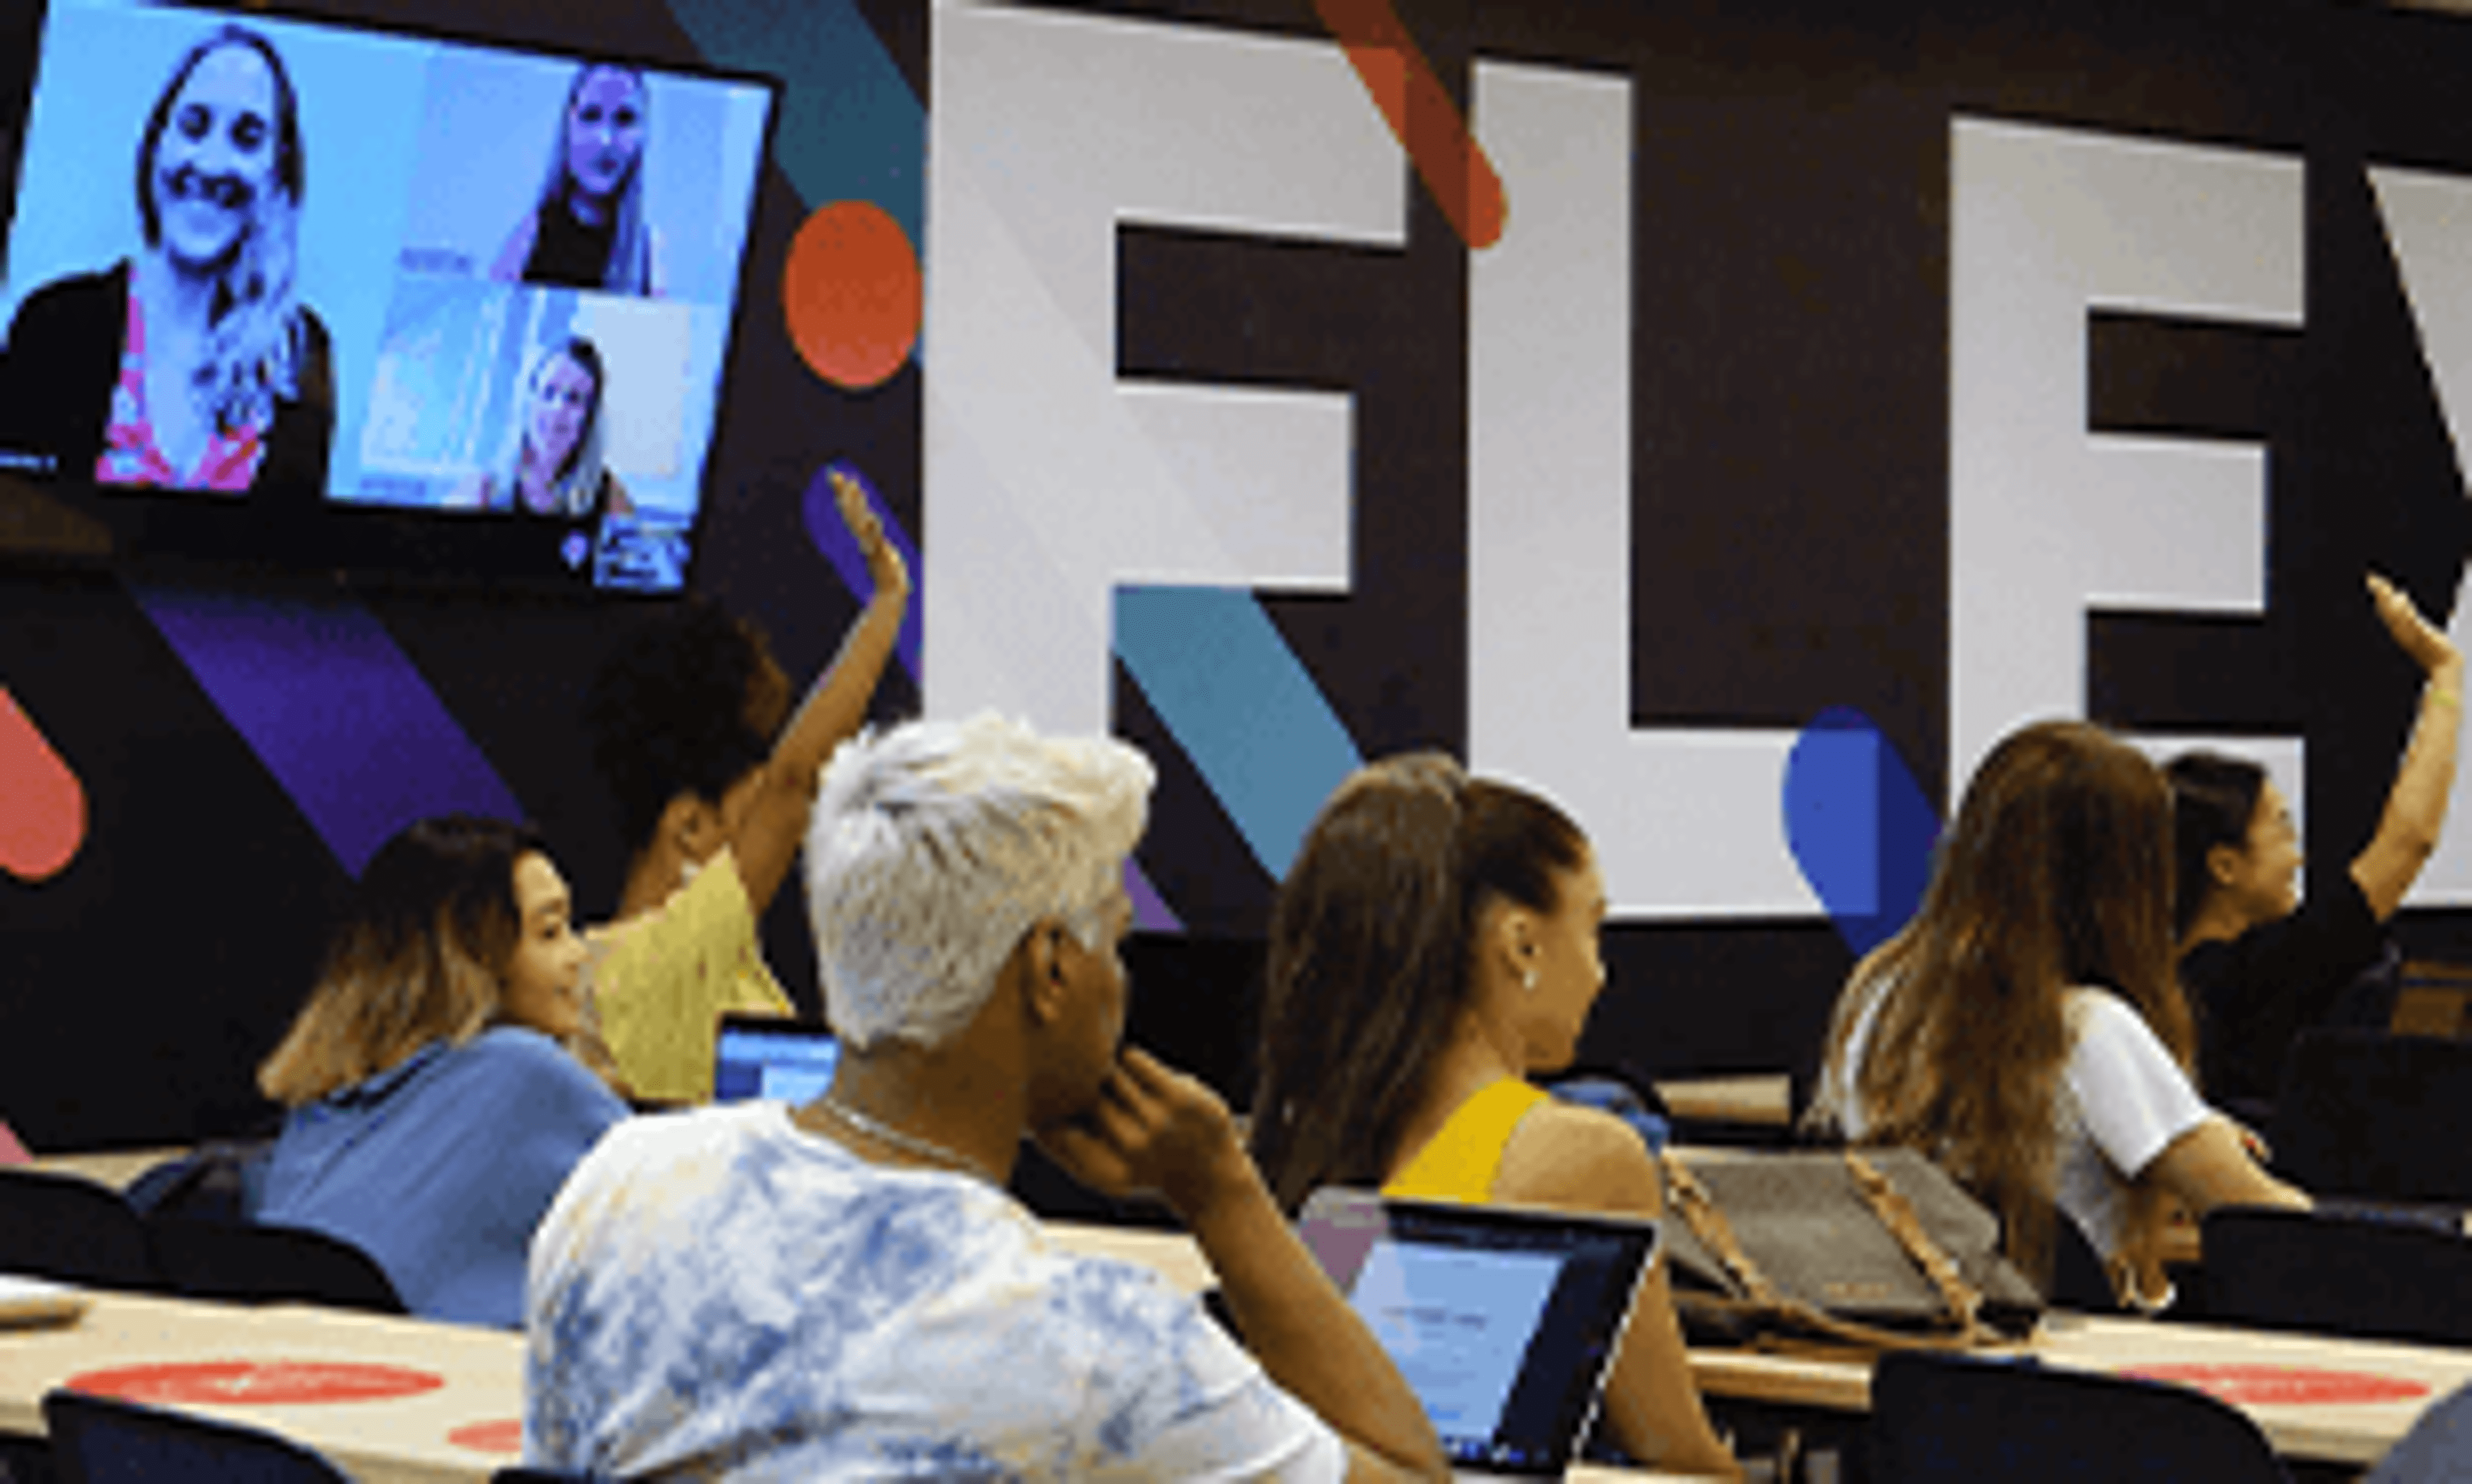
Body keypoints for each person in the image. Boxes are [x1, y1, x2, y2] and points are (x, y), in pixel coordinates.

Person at [526, 714, 1450, 1481]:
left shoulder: (619, 1187)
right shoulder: (1100, 1343)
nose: (1120, 984)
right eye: (1114, 943)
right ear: (1050, 967)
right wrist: (1224, 1195)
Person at [1247, 754, 1738, 1478]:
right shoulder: (1586, 1154)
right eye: (1594, 927)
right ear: (1522, 944)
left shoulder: (1304, 1142)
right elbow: (1675, 1456)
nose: (1602, 973)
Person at [1808, 719, 2309, 1312]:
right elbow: (2272, 1226)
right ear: (2123, 880)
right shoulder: (2091, 1030)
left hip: (1917, 1346)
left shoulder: (1877, 994)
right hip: (2082, 1363)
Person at [577, 468, 907, 1103]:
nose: (786, 833)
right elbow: (794, 782)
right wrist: (890, 601)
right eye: (748, 811)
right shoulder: (649, 962)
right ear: (691, 825)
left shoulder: (701, 962)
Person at [255, 815, 626, 1328]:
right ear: (471, 956)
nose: (579, 953)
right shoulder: (520, 1070)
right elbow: (705, 1205)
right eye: (550, 931)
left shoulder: (320, 1100)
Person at [2169, 571, 2464, 1113]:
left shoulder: (2160, 975)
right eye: (2281, 829)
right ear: (2224, 864)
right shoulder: (2251, 976)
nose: (2298, 856)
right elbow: (2410, 841)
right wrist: (2445, 675)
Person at [0, 24, 332, 497]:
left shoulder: (298, 354)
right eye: (194, 126)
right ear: (157, 144)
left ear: (277, 171)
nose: (212, 163)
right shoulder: (56, 321)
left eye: (247, 137)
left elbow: (292, 561)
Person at [491, 62, 664, 295]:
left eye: (624, 120)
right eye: (591, 116)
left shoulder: (650, 252)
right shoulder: (529, 237)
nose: (605, 140)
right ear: (567, 128)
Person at [447, 336, 633, 520]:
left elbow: (638, 547)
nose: (558, 409)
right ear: (529, 401)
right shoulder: (483, 488)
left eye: (574, 398)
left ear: (590, 417)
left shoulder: (609, 494)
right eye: (549, 392)